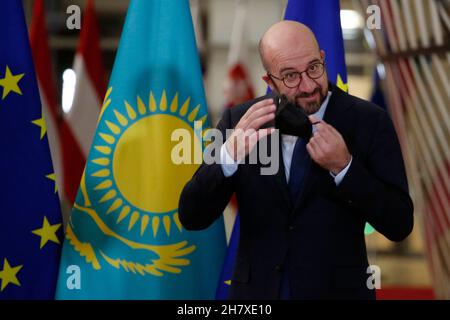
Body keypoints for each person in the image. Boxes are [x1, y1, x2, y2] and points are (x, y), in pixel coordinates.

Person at [178, 21, 413, 300]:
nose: (308, 84)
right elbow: (192, 216)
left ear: (323, 59)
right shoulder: (239, 122)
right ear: (269, 81)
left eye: (314, 67)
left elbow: (399, 224)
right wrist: (228, 157)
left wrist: (344, 167)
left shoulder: (369, 121)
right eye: (290, 76)